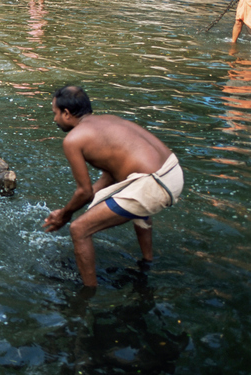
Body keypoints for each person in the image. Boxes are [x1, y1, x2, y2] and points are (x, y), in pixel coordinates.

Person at [43, 86, 184, 288]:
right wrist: (94, 200)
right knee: (132, 197)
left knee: (79, 229)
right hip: (172, 172)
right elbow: (112, 174)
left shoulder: (73, 139)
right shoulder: (109, 120)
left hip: (153, 184)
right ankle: (147, 262)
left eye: (55, 114)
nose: (54, 119)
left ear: (66, 113)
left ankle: (88, 294)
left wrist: (64, 215)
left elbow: (83, 192)